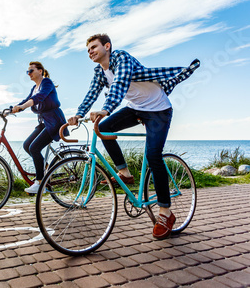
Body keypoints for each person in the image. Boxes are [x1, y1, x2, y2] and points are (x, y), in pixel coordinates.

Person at [68, 33, 200, 239]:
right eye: (88, 50)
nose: (90, 52)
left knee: (153, 155)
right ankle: (125, 172)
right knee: (102, 128)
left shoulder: (122, 58)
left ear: (107, 46)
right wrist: (78, 114)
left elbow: (120, 84)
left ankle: (165, 212)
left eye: (94, 47)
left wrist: (106, 109)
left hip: (158, 109)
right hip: (135, 108)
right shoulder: (99, 71)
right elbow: (91, 92)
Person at [12, 61, 69, 194]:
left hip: (54, 121)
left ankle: (39, 182)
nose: (28, 74)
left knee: (34, 148)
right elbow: (27, 100)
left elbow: (39, 98)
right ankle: (45, 168)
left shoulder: (46, 83)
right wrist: (12, 108)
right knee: (27, 146)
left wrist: (23, 107)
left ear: (40, 71)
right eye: (27, 71)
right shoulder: (34, 87)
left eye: (31, 71)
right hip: (44, 122)